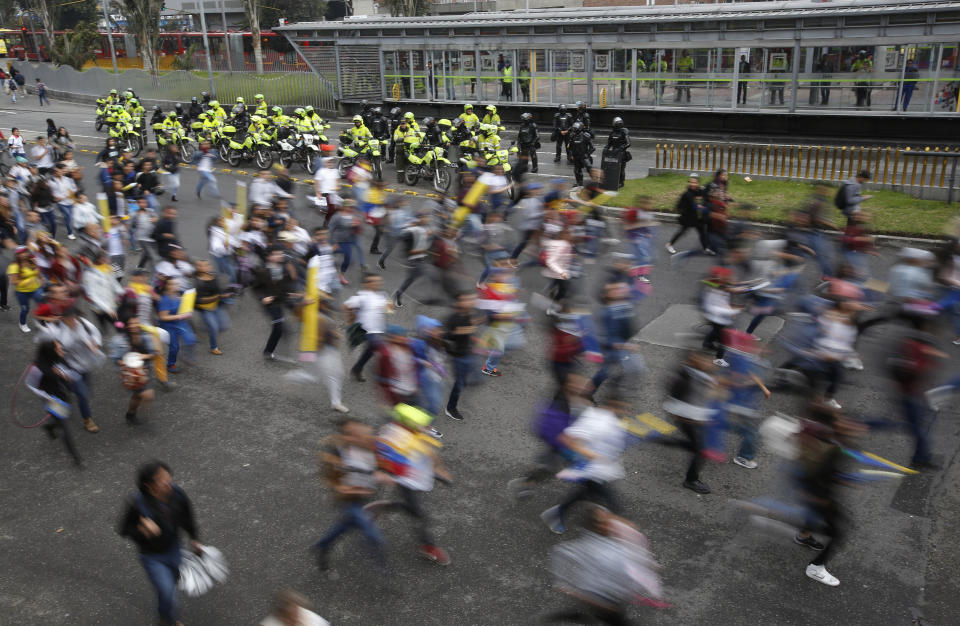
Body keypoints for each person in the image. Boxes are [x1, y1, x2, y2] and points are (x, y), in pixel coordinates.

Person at [118, 461, 202, 626]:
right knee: (167, 592)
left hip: (175, 548)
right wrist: (141, 529)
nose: (168, 481)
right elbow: (123, 529)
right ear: (149, 486)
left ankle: (165, 616)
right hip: (152, 557)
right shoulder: (137, 504)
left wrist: (194, 538)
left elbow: (187, 516)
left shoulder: (177, 494)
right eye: (161, 479)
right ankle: (169, 621)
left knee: (172, 584)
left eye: (167, 476)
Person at [366, 405, 452, 565]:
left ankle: (384, 507)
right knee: (420, 515)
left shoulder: (411, 431)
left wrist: (439, 469)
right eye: (421, 425)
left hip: (420, 474)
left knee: (414, 510)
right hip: (408, 482)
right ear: (407, 423)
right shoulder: (395, 437)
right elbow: (383, 457)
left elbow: (432, 452)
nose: (426, 428)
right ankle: (428, 547)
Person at [539, 397, 629, 535]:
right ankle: (614, 526)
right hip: (591, 470)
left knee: (586, 493)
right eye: (624, 408)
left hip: (600, 470)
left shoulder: (612, 420)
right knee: (612, 501)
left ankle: (558, 513)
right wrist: (591, 454)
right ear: (613, 406)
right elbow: (567, 440)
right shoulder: (596, 421)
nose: (626, 412)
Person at [42, 308, 105, 434]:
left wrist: (95, 345)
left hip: (85, 366)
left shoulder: (85, 325)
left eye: (76, 318)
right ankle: (87, 420)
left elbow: (96, 336)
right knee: (82, 394)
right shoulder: (56, 333)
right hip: (69, 367)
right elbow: (49, 354)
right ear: (63, 319)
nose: (75, 321)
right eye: (71, 319)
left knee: (85, 391)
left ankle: (70, 390)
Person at [32, 339, 83, 465]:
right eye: (59, 349)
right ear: (50, 352)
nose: (62, 351)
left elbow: (72, 371)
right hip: (51, 398)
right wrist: (47, 397)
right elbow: (32, 385)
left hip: (62, 393)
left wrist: (66, 375)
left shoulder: (58, 357)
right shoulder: (38, 367)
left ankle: (50, 426)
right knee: (64, 426)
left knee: (65, 415)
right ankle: (75, 457)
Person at [253, 245, 299, 360]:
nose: (280, 256)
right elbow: (256, 288)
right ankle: (270, 352)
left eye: (281, 254)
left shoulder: (283, 268)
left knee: (284, 327)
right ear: (269, 257)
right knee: (279, 327)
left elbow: (285, 284)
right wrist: (262, 298)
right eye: (277, 254)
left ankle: (272, 351)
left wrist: (292, 293)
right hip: (271, 303)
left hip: (282, 299)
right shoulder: (261, 271)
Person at [444, 290, 478, 421]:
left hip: (467, 352)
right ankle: (451, 408)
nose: (470, 302)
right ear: (459, 302)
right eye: (466, 300)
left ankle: (459, 391)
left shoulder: (469, 315)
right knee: (459, 383)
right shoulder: (454, 318)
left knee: (466, 381)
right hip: (458, 356)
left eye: (471, 299)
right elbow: (447, 336)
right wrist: (463, 331)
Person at [8, 247, 43, 333]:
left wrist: (37, 265)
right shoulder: (14, 266)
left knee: (42, 304)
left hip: (35, 289)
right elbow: (14, 281)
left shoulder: (31, 261)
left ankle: (40, 320)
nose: (24, 254)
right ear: (17, 255)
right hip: (22, 292)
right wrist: (28, 281)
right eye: (21, 253)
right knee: (25, 309)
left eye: (25, 252)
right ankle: (22, 323)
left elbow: (38, 275)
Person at [259, 590, 330, 626]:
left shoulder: (314, 621)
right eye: (289, 617)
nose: (297, 619)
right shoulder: (269, 624)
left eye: (297, 612)